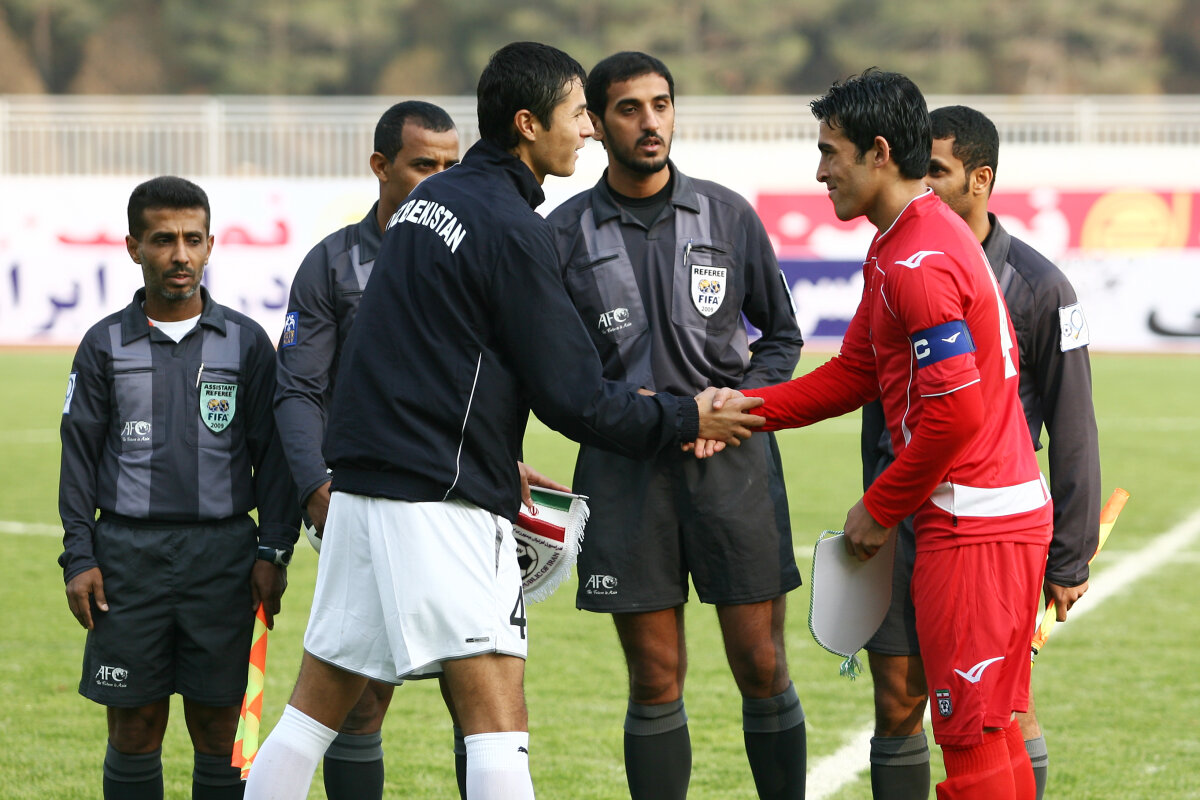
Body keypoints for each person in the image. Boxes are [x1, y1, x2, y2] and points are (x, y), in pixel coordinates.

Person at [244, 41, 766, 800]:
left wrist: (484, 443)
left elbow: (406, 354)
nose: (588, 129)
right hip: (441, 501)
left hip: (362, 491)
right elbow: (574, 397)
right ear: (527, 124)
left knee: (310, 714)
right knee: (497, 718)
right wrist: (689, 417)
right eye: (577, 113)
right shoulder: (513, 227)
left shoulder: (425, 205)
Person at [709, 69, 1054, 800]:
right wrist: (744, 408)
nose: (820, 171)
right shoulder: (904, 241)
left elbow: (956, 414)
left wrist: (881, 504)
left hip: (973, 525)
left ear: (878, 152)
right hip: (991, 515)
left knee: (968, 740)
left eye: (829, 152)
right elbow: (855, 373)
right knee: (990, 731)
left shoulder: (918, 260)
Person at [546, 52, 807, 800]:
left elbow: (781, 337)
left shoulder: (728, 214)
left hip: (733, 468)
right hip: (625, 472)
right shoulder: (561, 234)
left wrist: (734, 408)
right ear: (598, 124)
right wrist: (635, 411)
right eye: (629, 108)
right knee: (655, 677)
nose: (650, 121)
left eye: (660, 104)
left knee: (761, 663)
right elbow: (555, 370)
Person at [860, 104, 1102, 800]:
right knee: (898, 698)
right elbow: (881, 405)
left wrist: (1070, 556)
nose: (922, 185)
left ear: (980, 179)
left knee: (999, 712)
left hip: (985, 528)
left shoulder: (1042, 286)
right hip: (904, 518)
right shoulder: (898, 261)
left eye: (936, 171)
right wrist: (879, 507)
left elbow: (1074, 425)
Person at [58, 176, 299, 800]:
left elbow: (274, 460)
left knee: (219, 727)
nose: (180, 255)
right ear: (133, 246)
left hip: (223, 559)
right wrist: (79, 557)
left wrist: (273, 551)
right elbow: (78, 461)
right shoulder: (103, 343)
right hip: (126, 559)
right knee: (134, 725)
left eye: (194, 239)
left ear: (212, 245)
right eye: (163, 240)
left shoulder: (246, 343)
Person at [274, 100, 470, 800]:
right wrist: (314, 487)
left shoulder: (476, 251)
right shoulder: (332, 262)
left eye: (452, 166)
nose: (442, 180)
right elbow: (297, 388)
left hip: (460, 501)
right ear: (381, 167)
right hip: (362, 501)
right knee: (357, 698)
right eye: (424, 166)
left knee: (478, 691)